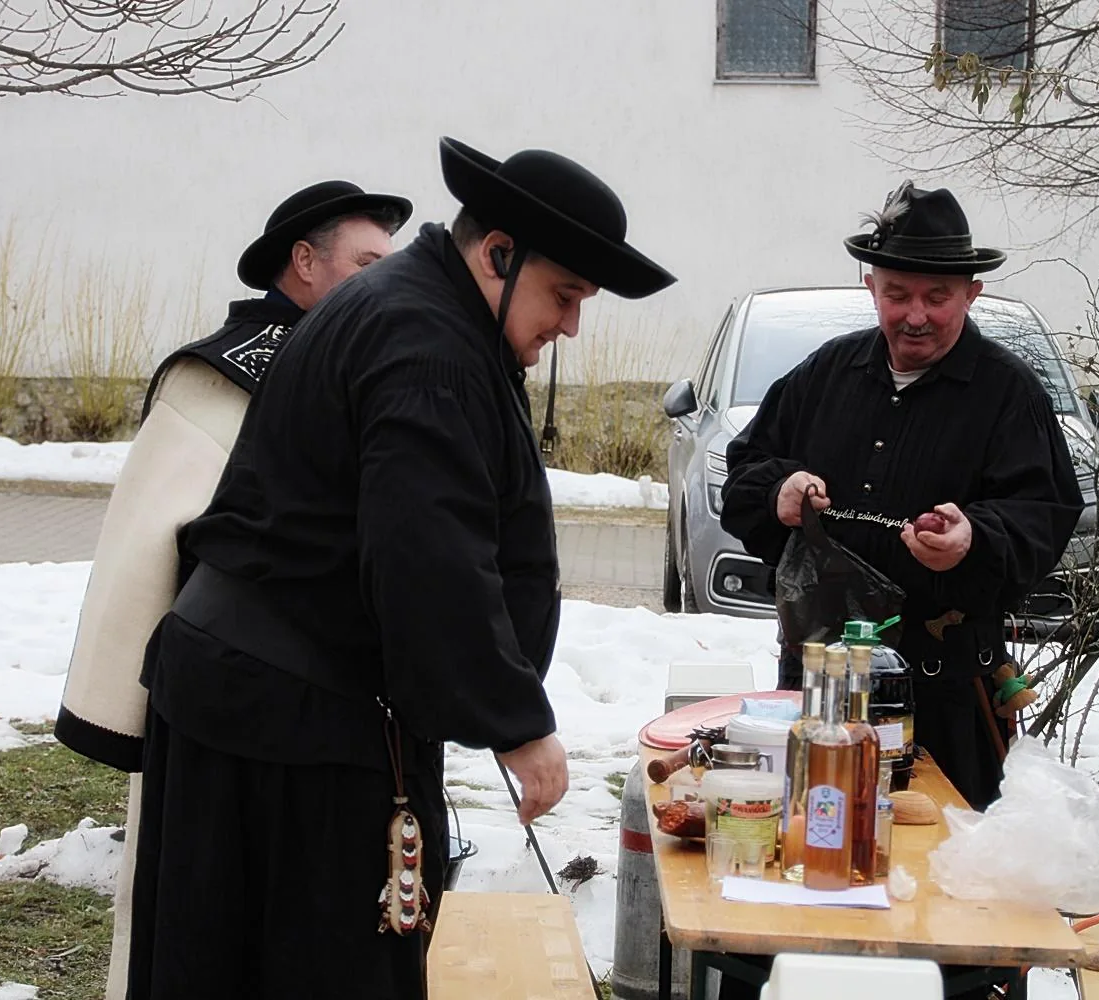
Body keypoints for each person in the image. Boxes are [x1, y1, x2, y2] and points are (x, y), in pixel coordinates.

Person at [125, 137, 674, 998]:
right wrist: (516, 723)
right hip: (291, 731)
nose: (571, 324)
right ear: (499, 253)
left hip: (260, 706)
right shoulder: (427, 347)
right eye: (563, 294)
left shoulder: (418, 313)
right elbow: (429, 557)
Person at [53, 179, 413, 1000]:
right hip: (215, 713)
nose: (383, 282)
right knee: (201, 922)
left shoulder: (370, 370)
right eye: (365, 262)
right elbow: (144, 547)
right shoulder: (217, 378)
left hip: (328, 720)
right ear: (304, 262)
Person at [720, 181, 1083, 811]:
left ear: (972, 293)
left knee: (941, 871)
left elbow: (1045, 511)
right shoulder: (823, 374)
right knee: (813, 842)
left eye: (937, 297)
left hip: (947, 692)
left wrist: (974, 537)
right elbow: (745, 472)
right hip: (819, 684)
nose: (915, 315)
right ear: (871, 287)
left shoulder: (1008, 393)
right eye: (897, 295)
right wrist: (778, 491)